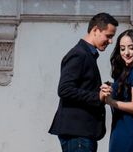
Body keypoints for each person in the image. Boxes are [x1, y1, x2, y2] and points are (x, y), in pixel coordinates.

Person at [49, 13, 119, 152]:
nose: (110, 41)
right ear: (95, 30)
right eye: (108, 36)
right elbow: (64, 89)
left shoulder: (86, 54)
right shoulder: (79, 54)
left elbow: (81, 87)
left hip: (82, 133)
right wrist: (97, 96)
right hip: (78, 134)